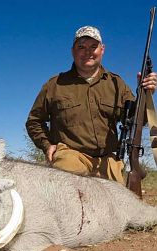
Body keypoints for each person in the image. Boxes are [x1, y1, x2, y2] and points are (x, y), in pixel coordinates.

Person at [26, 26, 157, 183]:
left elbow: (136, 121)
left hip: (108, 159)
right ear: (73, 51)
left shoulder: (116, 83)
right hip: (71, 154)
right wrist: (47, 145)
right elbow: (34, 121)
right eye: (81, 47)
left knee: (121, 199)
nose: (87, 52)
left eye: (93, 46)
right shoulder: (55, 84)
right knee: (70, 191)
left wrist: (145, 96)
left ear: (102, 50)